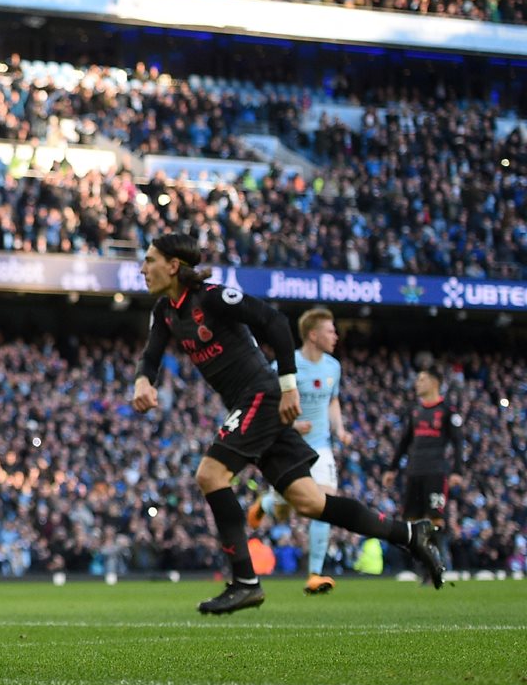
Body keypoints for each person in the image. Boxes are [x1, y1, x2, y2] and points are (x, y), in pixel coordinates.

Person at [131, 234, 445, 614]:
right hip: (253, 404)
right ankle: (410, 533)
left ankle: (245, 582)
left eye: (149, 260)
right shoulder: (166, 311)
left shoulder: (212, 298)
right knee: (310, 502)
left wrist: (288, 385)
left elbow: (274, 320)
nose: (142, 268)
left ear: (173, 266)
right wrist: (142, 381)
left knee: (210, 475)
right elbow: (150, 356)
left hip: (261, 395)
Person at [247, 307, 352, 595]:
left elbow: (332, 401)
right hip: (289, 446)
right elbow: (266, 404)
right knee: (284, 510)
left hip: (321, 445)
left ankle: (315, 574)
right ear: (313, 334)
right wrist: (290, 425)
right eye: (330, 331)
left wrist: (339, 429)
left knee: (324, 504)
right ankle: (265, 505)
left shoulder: (333, 366)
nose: (336, 336)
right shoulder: (286, 364)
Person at [381, 368, 464, 575]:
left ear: (434, 383)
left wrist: (457, 471)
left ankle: (438, 566)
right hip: (413, 472)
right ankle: (422, 569)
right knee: (412, 521)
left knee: (435, 519)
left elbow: (458, 443)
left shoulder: (447, 411)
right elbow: (404, 441)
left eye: (422, 379)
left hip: (436, 472)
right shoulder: (414, 410)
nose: (417, 383)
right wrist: (392, 468)